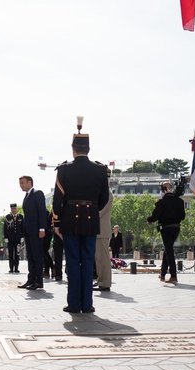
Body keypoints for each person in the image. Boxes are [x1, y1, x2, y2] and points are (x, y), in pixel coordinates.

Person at [52, 116, 110, 313]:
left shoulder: (64, 170)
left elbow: (57, 201)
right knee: (87, 261)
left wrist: (57, 222)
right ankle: (87, 304)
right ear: (88, 149)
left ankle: (74, 303)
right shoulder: (100, 171)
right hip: (91, 220)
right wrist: (92, 210)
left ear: (73, 149)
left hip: (69, 220)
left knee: (73, 261)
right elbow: (104, 199)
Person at [147, 181, 185, 284]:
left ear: (163, 189)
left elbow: (155, 216)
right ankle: (163, 274)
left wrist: (149, 220)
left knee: (169, 251)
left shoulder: (162, 201)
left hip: (166, 228)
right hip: (176, 228)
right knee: (167, 250)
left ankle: (173, 276)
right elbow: (182, 216)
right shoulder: (180, 201)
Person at [18, 175, 47, 290]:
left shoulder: (37, 193)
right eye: (20, 183)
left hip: (36, 231)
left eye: (23, 183)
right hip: (29, 232)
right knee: (30, 256)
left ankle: (38, 281)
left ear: (30, 182)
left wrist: (42, 229)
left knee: (37, 256)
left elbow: (42, 212)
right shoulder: (27, 196)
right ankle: (31, 280)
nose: (21, 185)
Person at [93, 190, 114, 292]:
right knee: (99, 258)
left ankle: (105, 283)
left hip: (102, 229)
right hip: (99, 229)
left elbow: (100, 212)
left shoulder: (107, 193)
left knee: (103, 258)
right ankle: (101, 280)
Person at [3, 203, 24, 273]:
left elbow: (23, 227)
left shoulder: (21, 217)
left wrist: (22, 236)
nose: (13, 210)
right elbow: (5, 228)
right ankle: (11, 268)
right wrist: (5, 237)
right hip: (10, 239)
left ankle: (16, 268)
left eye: (14, 208)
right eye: (12, 209)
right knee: (11, 253)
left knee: (17, 254)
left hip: (18, 238)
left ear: (17, 209)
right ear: (11, 209)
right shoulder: (7, 217)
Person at [50, 209, 64, 281]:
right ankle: (58, 274)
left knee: (71, 254)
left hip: (68, 231)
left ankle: (68, 272)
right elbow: (50, 220)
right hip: (57, 233)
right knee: (58, 255)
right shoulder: (54, 209)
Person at [42, 206, 55, 278]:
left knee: (44, 251)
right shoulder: (44, 211)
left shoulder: (44, 211)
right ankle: (47, 271)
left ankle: (52, 267)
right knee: (44, 252)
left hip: (47, 234)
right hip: (46, 233)